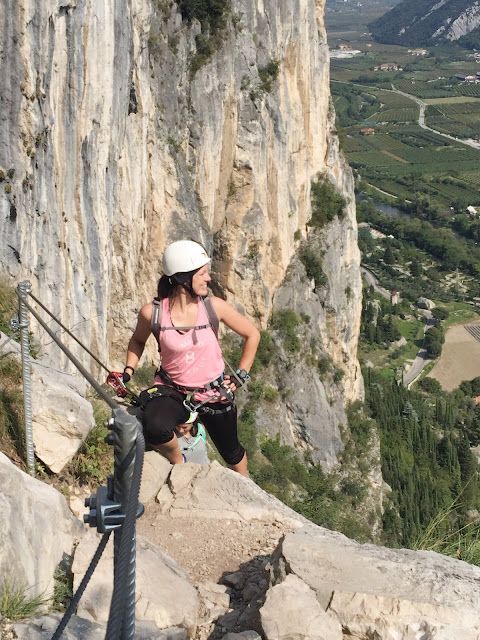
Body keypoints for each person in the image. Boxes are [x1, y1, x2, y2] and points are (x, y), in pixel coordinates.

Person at [122, 239, 260, 476]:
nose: (208, 278)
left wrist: (242, 374)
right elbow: (138, 340)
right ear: (182, 278)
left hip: (214, 392)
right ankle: (180, 467)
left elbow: (252, 334)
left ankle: (246, 489)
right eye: (202, 273)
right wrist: (128, 370)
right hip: (172, 389)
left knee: (232, 452)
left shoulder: (214, 307)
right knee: (156, 429)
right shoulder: (153, 313)